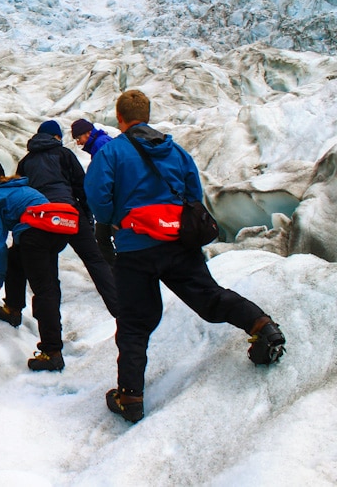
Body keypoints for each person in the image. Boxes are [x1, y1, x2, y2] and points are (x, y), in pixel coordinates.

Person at [85, 89, 286, 423]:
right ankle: (262, 325)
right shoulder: (174, 150)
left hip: (136, 248)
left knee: (135, 323)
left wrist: (109, 223)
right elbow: (193, 194)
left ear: (119, 118)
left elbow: (97, 194)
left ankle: (130, 398)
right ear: (146, 115)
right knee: (210, 297)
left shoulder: (112, 152)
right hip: (178, 241)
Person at [0, 158, 71, 372]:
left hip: (34, 237)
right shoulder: (22, 187)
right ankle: (13, 308)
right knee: (17, 261)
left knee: (43, 290)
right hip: (55, 231)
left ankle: (52, 352)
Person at [16, 120, 118, 316]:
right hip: (69, 212)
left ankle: (51, 343)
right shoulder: (63, 154)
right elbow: (82, 186)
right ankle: (122, 311)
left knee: (48, 281)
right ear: (55, 137)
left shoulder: (25, 162)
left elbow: (22, 194)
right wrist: (87, 218)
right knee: (95, 261)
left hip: (42, 218)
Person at [72, 118, 116, 265]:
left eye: (79, 138)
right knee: (103, 235)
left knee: (107, 236)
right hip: (114, 200)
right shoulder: (101, 142)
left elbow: (105, 176)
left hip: (114, 202)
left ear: (88, 133)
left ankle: (117, 272)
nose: (78, 142)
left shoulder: (100, 144)